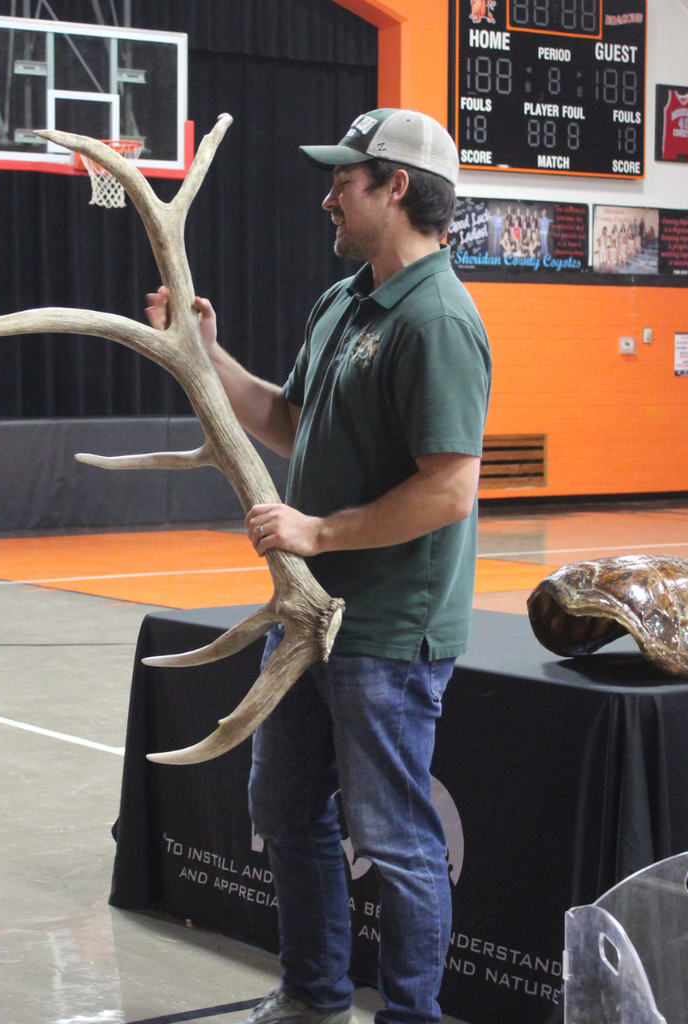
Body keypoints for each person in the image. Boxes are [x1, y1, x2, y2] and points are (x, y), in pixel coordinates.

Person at [147, 108, 492, 1024]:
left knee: (398, 841)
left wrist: (319, 535)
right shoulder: (345, 301)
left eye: (346, 178)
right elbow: (290, 422)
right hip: (309, 619)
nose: (326, 194)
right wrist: (209, 354)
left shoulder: (441, 321)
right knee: (287, 814)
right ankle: (312, 997)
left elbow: (450, 489)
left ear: (398, 189)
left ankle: (409, 1016)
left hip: (385, 633)